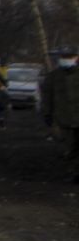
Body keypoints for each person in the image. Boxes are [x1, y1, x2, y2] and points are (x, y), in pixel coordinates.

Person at [43, 44, 79, 183]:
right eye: (63, 57)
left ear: (76, 57)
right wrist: (47, 114)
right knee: (70, 148)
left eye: (69, 57)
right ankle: (75, 173)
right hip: (65, 119)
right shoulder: (53, 77)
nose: (66, 59)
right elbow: (47, 97)